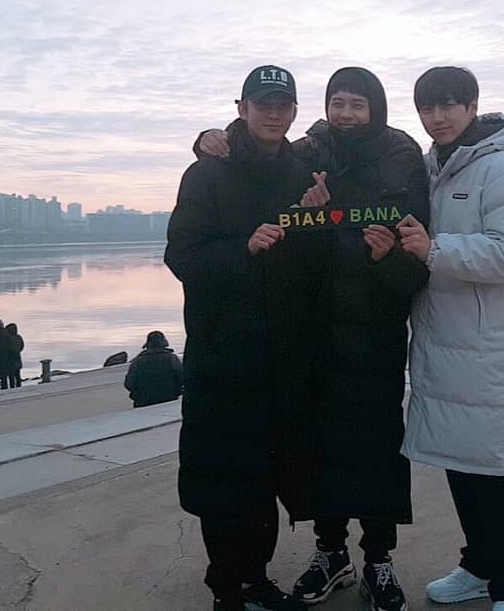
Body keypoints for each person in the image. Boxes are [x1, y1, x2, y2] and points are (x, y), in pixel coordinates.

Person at [196, 66, 430, 611]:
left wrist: (387, 260)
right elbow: (256, 147)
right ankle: (331, 553)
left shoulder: (402, 157)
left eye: (357, 104)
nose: (346, 114)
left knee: (376, 448)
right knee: (318, 448)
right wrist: (211, 139)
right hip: (313, 328)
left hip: (373, 328)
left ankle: (379, 559)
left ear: (376, 109)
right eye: (337, 102)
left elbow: (417, 252)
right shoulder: (310, 149)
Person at [165, 64, 324, 611]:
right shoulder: (207, 173)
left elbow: (310, 264)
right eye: (262, 105)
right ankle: (227, 588)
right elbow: (182, 257)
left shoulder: (303, 174)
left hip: (282, 354)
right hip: (223, 354)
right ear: (242, 109)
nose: (273, 114)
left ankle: (256, 579)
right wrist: (243, 249)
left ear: (295, 112)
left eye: (282, 105)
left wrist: (316, 220)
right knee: (223, 478)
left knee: (266, 476)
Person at [396, 66, 504, 611]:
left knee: (492, 462)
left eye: (449, 105)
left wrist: (433, 249)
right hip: (439, 338)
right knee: (459, 458)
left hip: (484, 344)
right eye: (427, 108)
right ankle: (479, 565)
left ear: (473, 106)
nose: (437, 118)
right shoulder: (430, 168)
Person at [124, 330, 183, 407]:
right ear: (164, 344)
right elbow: (182, 378)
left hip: (143, 402)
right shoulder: (172, 358)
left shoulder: (137, 361)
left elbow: (129, 384)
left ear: (148, 345)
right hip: (169, 399)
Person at [5, 322, 24, 388]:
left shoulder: (7, 338)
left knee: (11, 375)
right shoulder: (18, 337)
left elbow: (6, 348)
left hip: (10, 359)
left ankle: (12, 387)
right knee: (17, 374)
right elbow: (22, 346)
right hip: (17, 357)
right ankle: (19, 386)